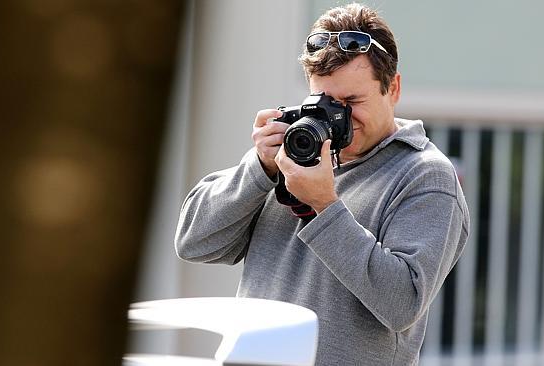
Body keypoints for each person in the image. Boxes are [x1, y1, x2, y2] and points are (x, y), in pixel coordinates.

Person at [175, 3, 469, 365]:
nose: (338, 115)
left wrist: (325, 208)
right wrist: (259, 169)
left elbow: (402, 303)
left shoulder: (424, 175)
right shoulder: (292, 155)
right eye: (326, 102)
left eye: (351, 101)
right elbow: (194, 243)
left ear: (393, 88)